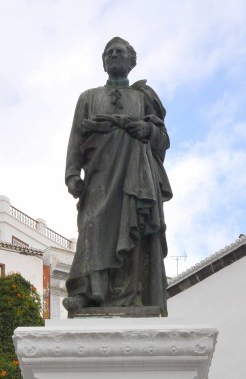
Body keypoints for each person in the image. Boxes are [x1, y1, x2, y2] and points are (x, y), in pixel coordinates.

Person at [63, 37, 172, 315]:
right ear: (103, 62)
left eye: (119, 51)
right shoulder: (88, 97)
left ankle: (133, 295)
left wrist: (146, 130)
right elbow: (76, 138)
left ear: (131, 61)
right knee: (93, 225)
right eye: (108, 52)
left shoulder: (144, 98)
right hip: (99, 174)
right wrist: (72, 174)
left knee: (133, 229)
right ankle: (87, 291)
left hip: (136, 176)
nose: (113, 55)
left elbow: (163, 139)